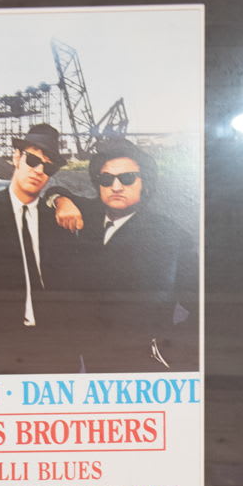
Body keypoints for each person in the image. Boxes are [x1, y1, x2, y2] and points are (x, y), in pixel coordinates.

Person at [48, 137, 198, 372]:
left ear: (145, 183)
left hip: (143, 365)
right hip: (92, 360)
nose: (116, 187)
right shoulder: (91, 216)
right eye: (106, 179)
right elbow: (53, 188)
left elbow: (207, 306)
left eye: (127, 178)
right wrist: (60, 200)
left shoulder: (170, 236)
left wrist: (169, 347)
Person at [0, 123, 80, 374]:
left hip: (56, 353)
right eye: (32, 160)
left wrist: (62, 197)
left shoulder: (56, 218)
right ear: (16, 158)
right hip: (2, 352)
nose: (39, 170)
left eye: (48, 166)